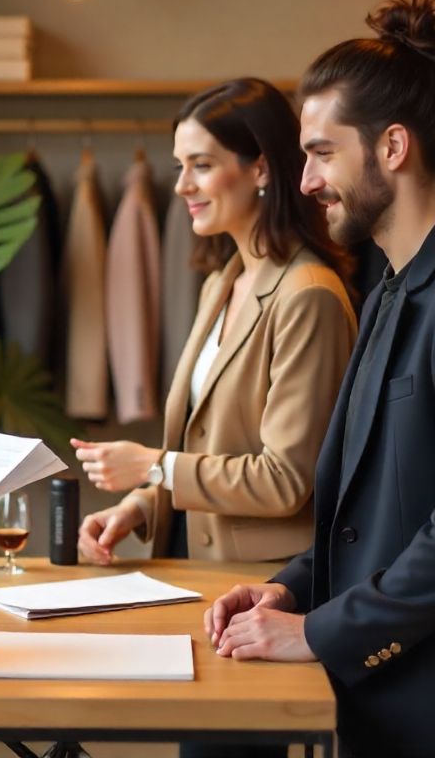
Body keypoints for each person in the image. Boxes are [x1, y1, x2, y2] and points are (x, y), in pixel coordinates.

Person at [204, 0, 435, 758]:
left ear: (392, 148)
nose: (305, 182)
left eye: (323, 153)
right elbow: (376, 508)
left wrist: (317, 632)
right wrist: (293, 585)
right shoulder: (393, 284)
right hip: (385, 697)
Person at [74, 79, 356, 579]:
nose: (181, 185)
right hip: (193, 565)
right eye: (180, 166)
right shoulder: (222, 284)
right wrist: (139, 506)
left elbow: (286, 479)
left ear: (262, 168)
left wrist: (154, 466)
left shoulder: (308, 295)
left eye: (201, 165)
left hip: (267, 585)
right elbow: (208, 449)